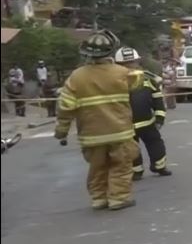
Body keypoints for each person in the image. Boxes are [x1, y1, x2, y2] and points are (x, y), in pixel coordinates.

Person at [54, 30, 141, 211]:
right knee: (121, 166)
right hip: (120, 132)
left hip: (91, 135)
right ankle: (118, 198)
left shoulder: (76, 77)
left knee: (97, 168)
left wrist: (61, 131)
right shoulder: (123, 73)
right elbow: (138, 81)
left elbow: (65, 106)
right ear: (110, 52)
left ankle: (99, 198)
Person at [114, 47, 171, 181]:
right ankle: (137, 170)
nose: (130, 66)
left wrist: (159, 118)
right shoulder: (114, 81)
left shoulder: (148, 77)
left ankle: (158, 166)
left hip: (146, 122)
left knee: (155, 143)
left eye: (132, 63)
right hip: (125, 124)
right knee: (131, 148)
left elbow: (158, 99)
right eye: (126, 64)